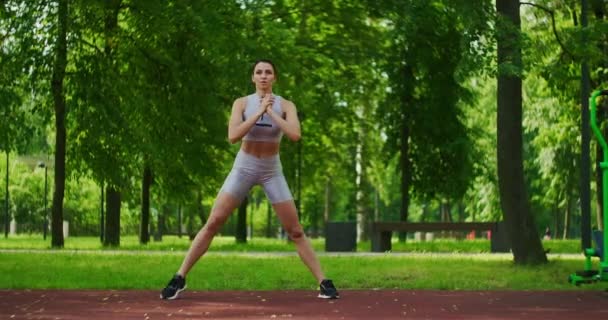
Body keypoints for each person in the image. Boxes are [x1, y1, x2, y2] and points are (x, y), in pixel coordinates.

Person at [160, 59, 339, 300]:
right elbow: (233, 136)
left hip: (271, 170)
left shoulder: (286, 105)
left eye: (268, 72)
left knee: (295, 230)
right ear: (253, 78)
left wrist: (271, 113)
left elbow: (295, 135)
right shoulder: (242, 103)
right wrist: (258, 111)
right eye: (259, 72)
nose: (263, 76)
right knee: (213, 222)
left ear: (274, 78)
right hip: (244, 167)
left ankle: (324, 282)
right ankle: (179, 277)